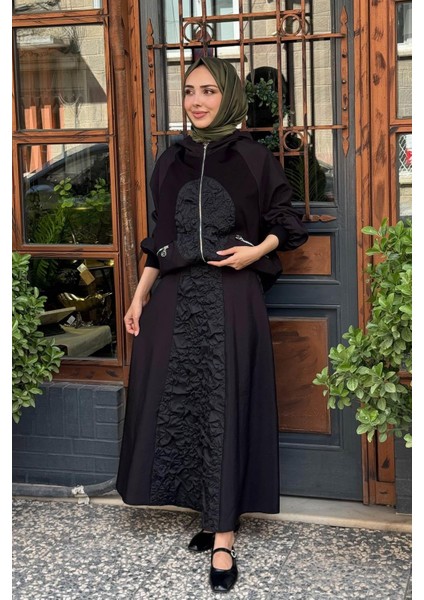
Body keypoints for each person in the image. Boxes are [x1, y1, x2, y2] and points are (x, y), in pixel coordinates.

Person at [116, 56, 309, 593]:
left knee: (225, 404)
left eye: (208, 91)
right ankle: (207, 511)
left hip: (231, 297)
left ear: (229, 97)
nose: (197, 101)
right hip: (175, 299)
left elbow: (286, 222)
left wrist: (255, 253)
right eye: (189, 91)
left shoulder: (252, 158)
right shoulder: (170, 160)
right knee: (184, 403)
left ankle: (224, 536)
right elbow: (161, 239)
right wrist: (139, 298)